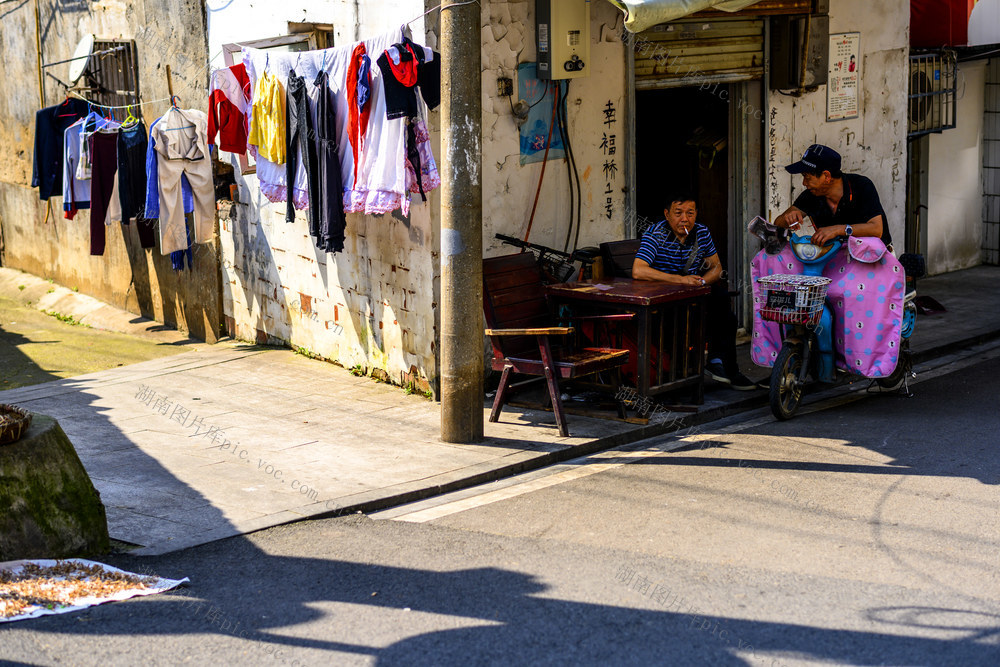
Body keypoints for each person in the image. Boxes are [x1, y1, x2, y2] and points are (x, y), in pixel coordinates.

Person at [632, 194, 757, 391]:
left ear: (696, 214)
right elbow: (639, 270)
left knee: (725, 309)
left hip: (691, 291)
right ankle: (684, 374)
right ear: (667, 214)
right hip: (664, 296)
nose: (685, 219)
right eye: (678, 213)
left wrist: (701, 282)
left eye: (690, 213)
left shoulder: (701, 232)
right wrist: (681, 280)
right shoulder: (655, 233)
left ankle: (724, 366)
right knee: (687, 320)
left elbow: (716, 268)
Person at [774, 144, 893, 249]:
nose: (804, 183)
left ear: (826, 176)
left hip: (874, 260)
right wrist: (787, 219)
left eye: (807, 177)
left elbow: (876, 229)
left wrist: (837, 230)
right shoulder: (811, 195)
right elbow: (777, 224)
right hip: (837, 262)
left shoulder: (861, 186)